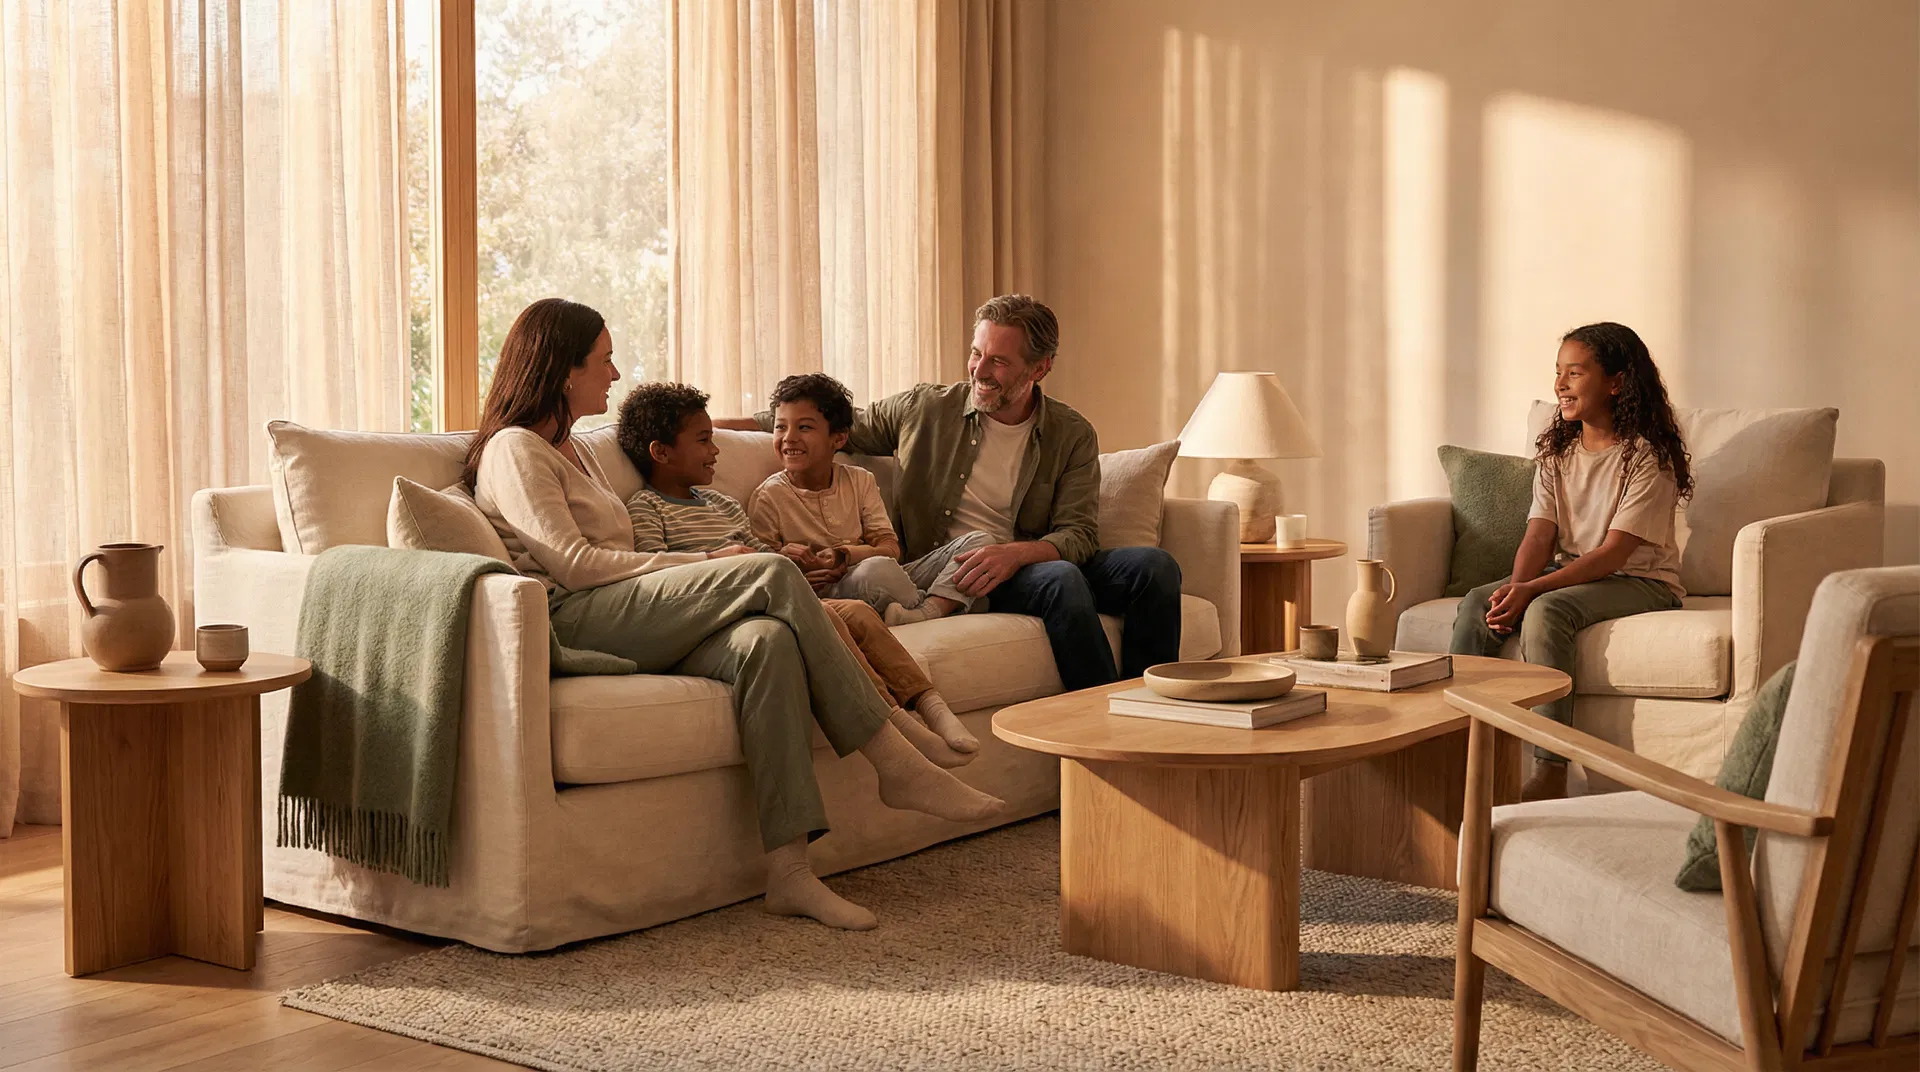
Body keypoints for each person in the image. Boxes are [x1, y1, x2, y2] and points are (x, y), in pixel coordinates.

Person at [466, 297, 1005, 931]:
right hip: (574, 617)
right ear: (563, 372)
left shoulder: (577, 450)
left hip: (627, 610)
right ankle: (895, 757)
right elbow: (577, 565)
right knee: (771, 569)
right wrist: (705, 564)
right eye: (604, 361)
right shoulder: (513, 449)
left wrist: (707, 564)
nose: (614, 375)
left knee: (767, 641)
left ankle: (791, 874)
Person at [720, 294, 1183, 692]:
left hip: (1023, 559)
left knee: (1153, 567)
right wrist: (707, 428)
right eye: (976, 353)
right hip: (952, 570)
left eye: (999, 361)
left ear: (1040, 368)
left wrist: (1017, 554)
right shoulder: (925, 409)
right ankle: (1103, 722)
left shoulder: (1071, 433)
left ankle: (1152, 706)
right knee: (1061, 579)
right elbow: (827, 424)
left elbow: (1079, 533)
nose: (980, 370)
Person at [614, 380, 977, 763]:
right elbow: (657, 571)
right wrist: (735, 558)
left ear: (838, 438)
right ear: (661, 452)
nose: (716, 448)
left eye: (712, 438)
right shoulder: (648, 507)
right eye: (705, 440)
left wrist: (786, 557)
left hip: (797, 589)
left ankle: (932, 706)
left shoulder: (722, 503)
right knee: (855, 600)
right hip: (728, 605)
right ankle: (902, 727)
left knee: (859, 610)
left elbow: (761, 554)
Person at [1449, 321, 1692, 802]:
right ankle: (1458, 745)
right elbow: (1540, 533)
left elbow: (1615, 553)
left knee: (1547, 611)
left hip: (1639, 580)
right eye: (1558, 372)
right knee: (1479, 602)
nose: (1560, 383)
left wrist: (1533, 593)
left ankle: (1551, 764)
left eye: (1575, 373)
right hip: (1572, 568)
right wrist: (1513, 590)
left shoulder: (1647, 457)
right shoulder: (1558, 450)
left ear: (1616, 382)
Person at [746, 373, 994, 628]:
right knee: (875, 572)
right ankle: (944, 603)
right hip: (839, 592)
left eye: (805, 427)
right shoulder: (769, 497)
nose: (789, 437)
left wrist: (844, 555)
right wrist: (792, 564)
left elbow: (890, 549)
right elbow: (761, 571)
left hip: (884, 574)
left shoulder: (859, 480)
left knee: (981, 542)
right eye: (780, 426)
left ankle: (925, 611)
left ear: (839, 438)